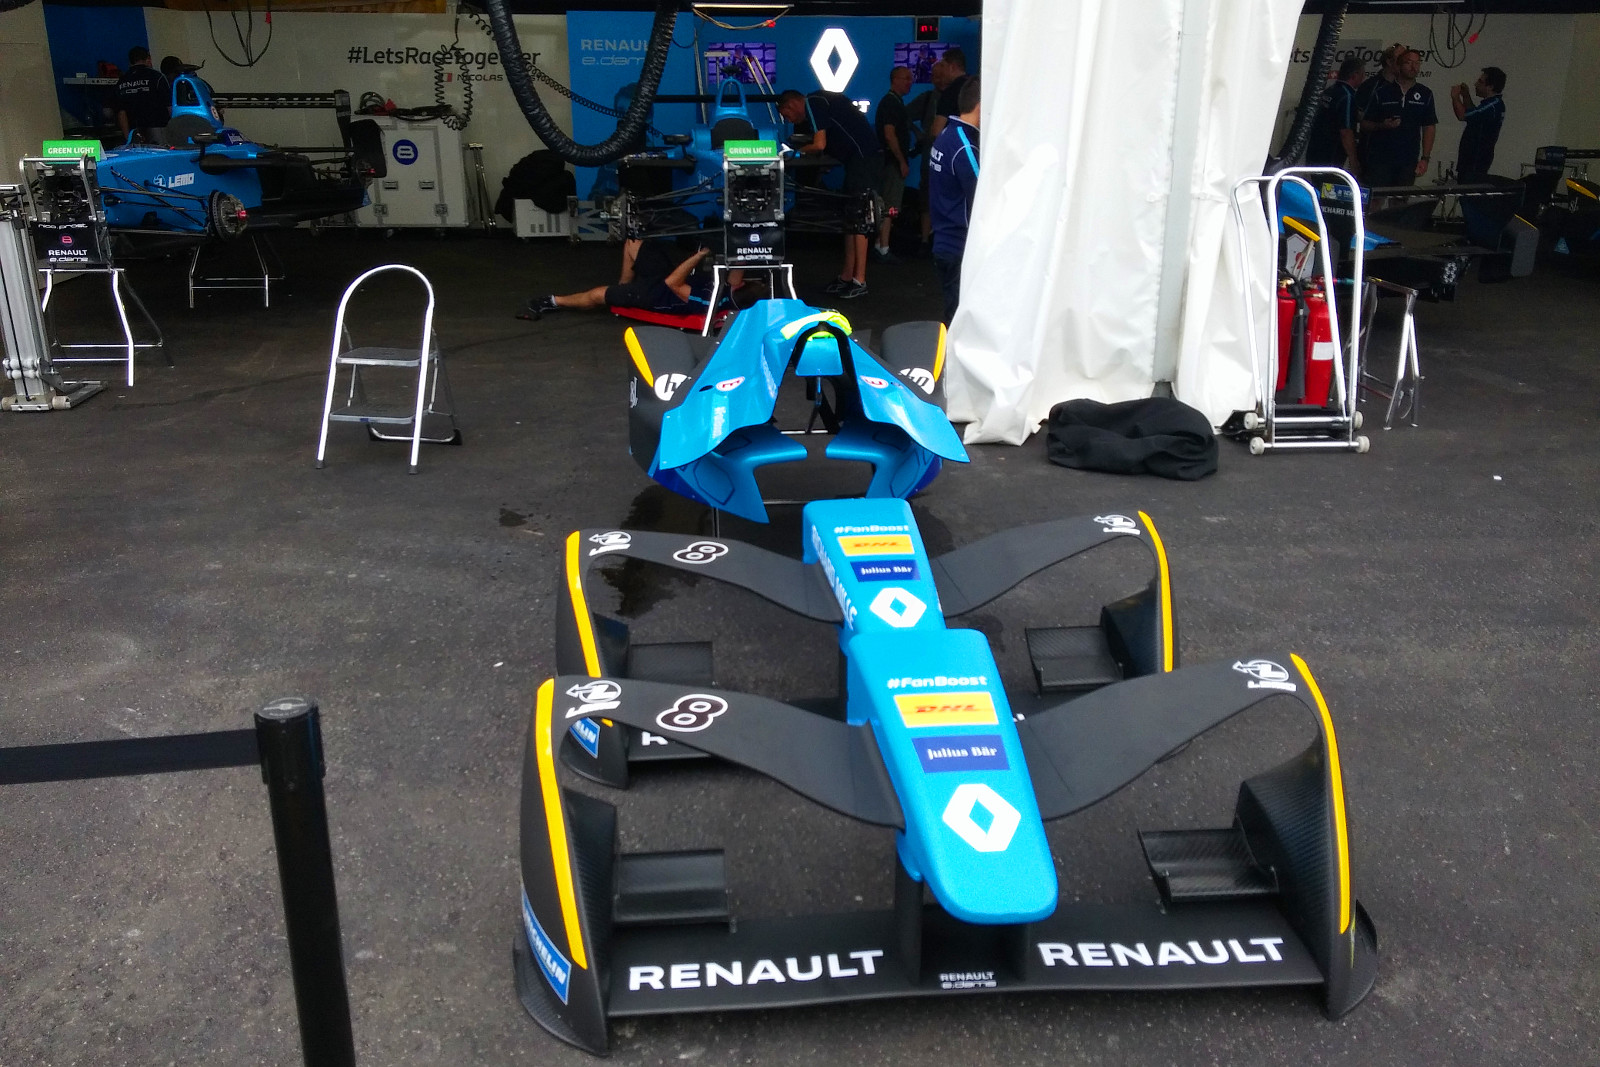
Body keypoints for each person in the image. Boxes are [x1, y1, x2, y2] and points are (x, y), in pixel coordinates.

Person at [777, 87, 881, 299]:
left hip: (865, 160)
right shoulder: (824, 101)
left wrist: (793, 153)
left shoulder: (814, 101)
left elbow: (819, 144)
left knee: (859, 218)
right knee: (850, 219)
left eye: (787, 115)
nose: (790, 120)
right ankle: (847, 276)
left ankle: (859, 280)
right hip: (858, 161)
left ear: (792, 104)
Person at [522, 239, 751, 320]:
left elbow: (673, 284)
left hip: (658, 295)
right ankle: (623, 288)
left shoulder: (709, 302)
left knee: (597, 295)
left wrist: (701, 254)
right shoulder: (733, 287)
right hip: (668, 278)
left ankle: (552, 301)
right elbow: (741, 257)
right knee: (634, 244)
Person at [928, 76, 980, 323]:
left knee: (953, 315)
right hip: (960, 246)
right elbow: (982, 197)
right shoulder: (964, 147)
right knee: (962, 321)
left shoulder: (946, 135)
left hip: (944, 241)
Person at [1359, 47, 1436, 187]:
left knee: (1401, 197)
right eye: (1409, 62)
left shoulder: (1425, 94)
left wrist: (1425, 158)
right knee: (1377, 197)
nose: (1413, 67)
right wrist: (1382, 125)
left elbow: (1429, 126)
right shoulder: (1382, 92)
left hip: (1408, 160)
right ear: (1399, 65)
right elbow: (1364, 124)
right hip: (1380, 160)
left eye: (1417, 63)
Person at [873, 66, 914, 262]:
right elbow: (889, 135)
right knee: (890, 207)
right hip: (892, 163)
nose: (910, 83)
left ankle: (879, 244)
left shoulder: (895, 102)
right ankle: (884, 248)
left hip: (890, 162)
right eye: (906, 78)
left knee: (886, 205)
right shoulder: (890, 103)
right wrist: (901, 161)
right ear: (895, 79)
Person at [1306, 57, 1365, 174]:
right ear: (1355, 75)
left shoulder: (1329, 90)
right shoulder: (1347, 96)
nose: (1364, 78)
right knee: (1329, 185)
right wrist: (1353, 161)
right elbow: (1346, 132)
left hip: (1314, 151)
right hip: (1331, 158)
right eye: (1363, 74)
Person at [1451, 66, 1506, 182]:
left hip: (1475, 162)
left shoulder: (1492, 106)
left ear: (1490, 87)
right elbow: (1474, 115)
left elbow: (1463, 116)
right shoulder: (1492, 104)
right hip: (1473, 161)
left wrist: (1455, 97)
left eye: (1480, 82)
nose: (1476, 84)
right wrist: (1466, 95)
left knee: (1469, 190)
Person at [114, 46, 170, 145]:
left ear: (130, 61)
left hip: (134, 132)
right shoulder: (157, 77)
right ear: (148, 59)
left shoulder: (122, 81)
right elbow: (169, 106)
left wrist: (128, 138)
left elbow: (121, 113)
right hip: (159, 130)